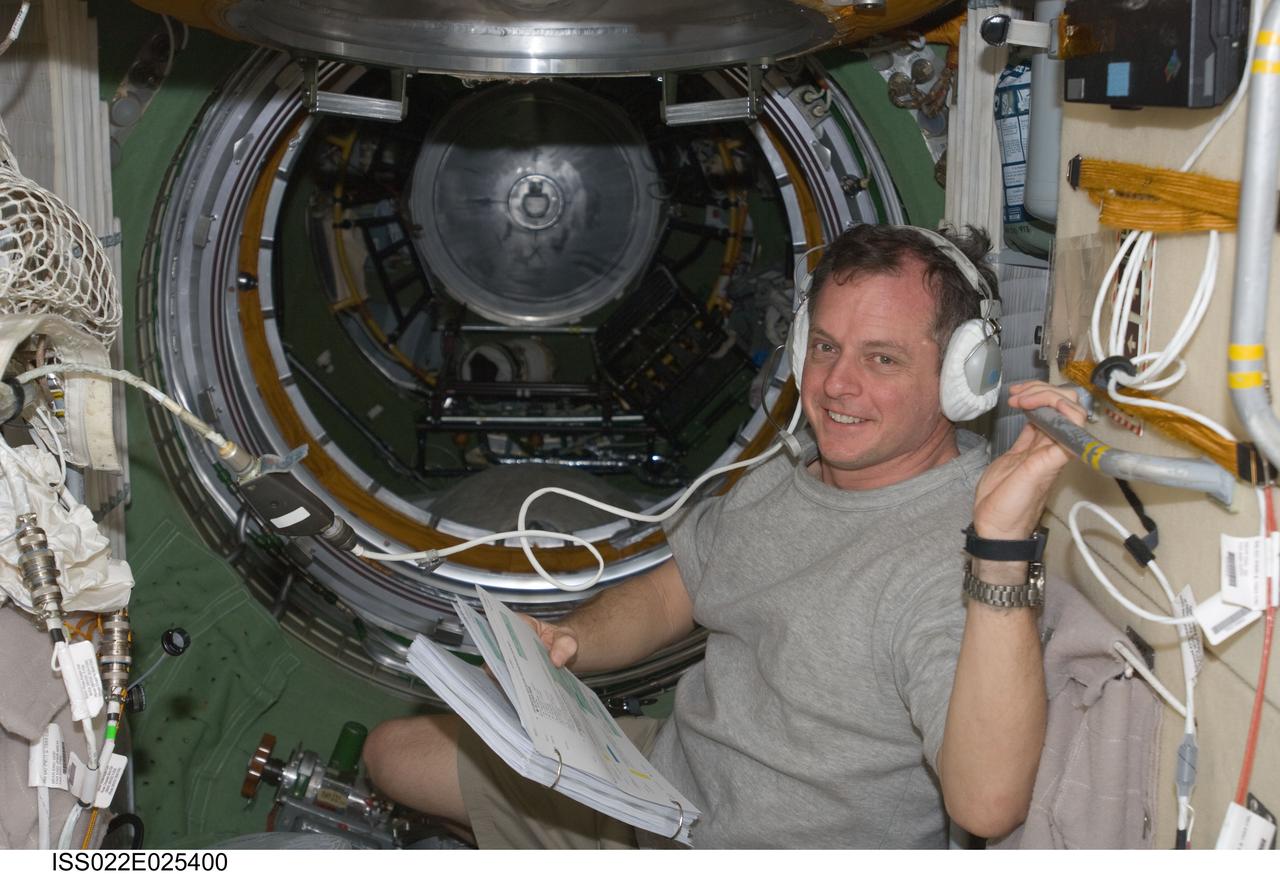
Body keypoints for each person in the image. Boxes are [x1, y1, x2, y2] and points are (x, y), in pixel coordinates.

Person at [363, 223, 1088, 848]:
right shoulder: (795, 468)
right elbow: (678, 589)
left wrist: (999, 544)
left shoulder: (953, 552)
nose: (836, 385)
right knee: (392, 752)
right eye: (827, 346)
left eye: (882, 358)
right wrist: (569, 644)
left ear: (966, 378)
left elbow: (988, 803)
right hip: (665, 786)